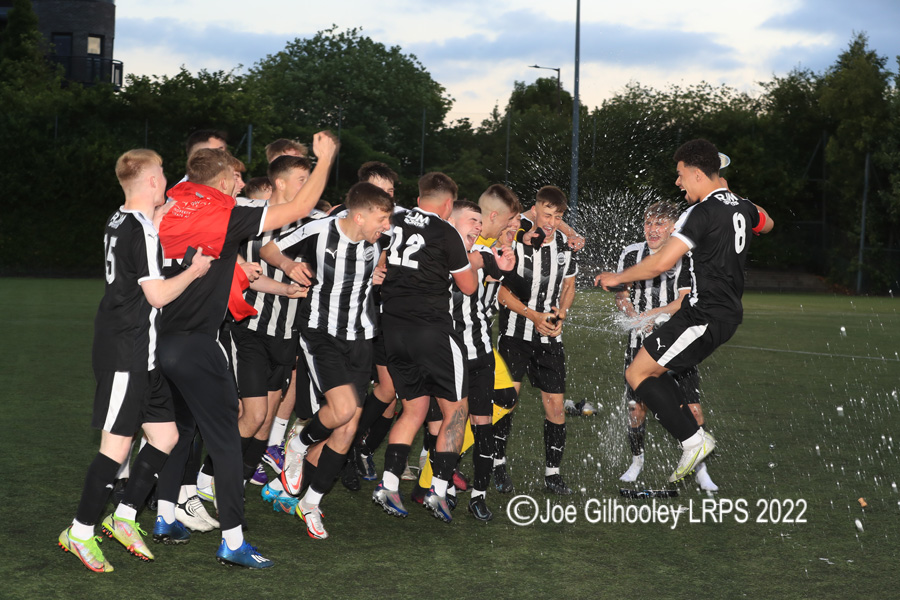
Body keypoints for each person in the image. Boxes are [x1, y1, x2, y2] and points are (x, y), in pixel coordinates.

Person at [153, 132, 338, 569]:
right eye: (235, 179)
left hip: (156, 339)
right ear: (218, 181)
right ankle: (232, 541)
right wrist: (326, 159)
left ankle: (163, 517)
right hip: (198, 342)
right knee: (225, 441)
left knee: (177, 430)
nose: (241, 186)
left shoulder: (172, 201)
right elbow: (293, 209)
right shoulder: (225, 210)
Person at [58, 149, 213, 573]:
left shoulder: (120, 217)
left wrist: (164, 217)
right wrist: (196, 270)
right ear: (149, 181)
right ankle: (80, 530)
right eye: (161, 173)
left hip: (139, 349)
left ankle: (124, 516)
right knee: (116, 448)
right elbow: (158, 295)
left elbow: (139, 245)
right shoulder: (139, 230)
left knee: (164, 436)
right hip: (125, 350)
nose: (165, 179)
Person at [596, 138, 773, 483]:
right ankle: (694, 438)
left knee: (638, 375)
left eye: (680, 175)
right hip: (722, 314)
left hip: (703, 314)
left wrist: (617, 277)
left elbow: (660, 262)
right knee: (649, 371)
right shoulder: (741, 206)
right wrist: (731, 195)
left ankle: (694, 440)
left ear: (696, 173)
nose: (677, 183)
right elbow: (766, 224)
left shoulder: (700, 212)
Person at [260, 181, 393, 539]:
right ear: (359, 215)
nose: (386, 226)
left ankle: (311, 503)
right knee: (345, 408)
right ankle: (298, 445)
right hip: (321, 334)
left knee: (348, 428)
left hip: (362, 337)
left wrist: (377, 272)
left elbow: (382, 260)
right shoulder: (320, 229)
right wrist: (288, 266)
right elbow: (269, 248)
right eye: (382, 219)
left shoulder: (382, 238)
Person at [372, 172, 478, 523]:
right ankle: (439, 489)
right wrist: (473, 261)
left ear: (419, 197)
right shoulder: (446, 231)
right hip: (431, 330)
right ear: (449, 204)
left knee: (413, 410)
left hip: (393, 329)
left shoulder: (394, 217)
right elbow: (468, 287)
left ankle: (388, 484)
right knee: (456, 411)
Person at [614, 201, 716, 491]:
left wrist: (652, 317)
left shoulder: (684, 256)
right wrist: (634, 318)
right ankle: (636, 462)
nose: (652, 229)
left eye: (659, 224)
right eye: (648, 223)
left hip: (678, 342)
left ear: (673, 228)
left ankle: (700, 468)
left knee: (693, 410)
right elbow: (621, 295)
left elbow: (684, 301)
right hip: (640, 342)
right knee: (637, 408)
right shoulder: (631, 253)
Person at [496, 186, 578, 495]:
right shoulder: (515, 239)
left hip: (549, 338)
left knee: (556, 406)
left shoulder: (564, 245)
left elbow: (569, 285)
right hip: (516, 334)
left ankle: (553, 474)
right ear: (535, 209)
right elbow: (501, 293)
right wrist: (533, 316)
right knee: (506, 402)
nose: (551, 222)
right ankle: (498, 465)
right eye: (547, 214)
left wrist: (562, 313)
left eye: (558, 217)